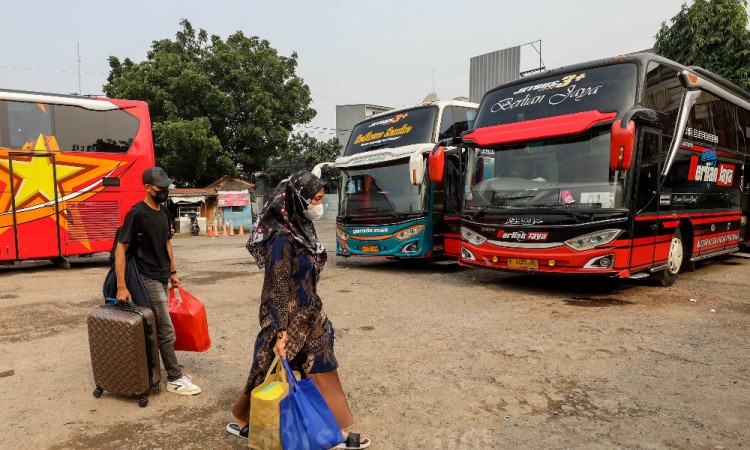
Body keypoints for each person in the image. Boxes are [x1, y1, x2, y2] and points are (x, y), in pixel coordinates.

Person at [227, 171, 370, 449]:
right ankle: (242, 417)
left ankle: (334, 429)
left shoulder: (302, 228)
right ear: (299, 198)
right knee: (267, 368)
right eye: (315, 199)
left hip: (310, 314)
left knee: (322, 363)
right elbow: (277, 285)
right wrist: (280, 330)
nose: (320, 205)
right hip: (285, 318)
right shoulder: (281, 238)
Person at [114, 167, 201, 396]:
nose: (165, 191)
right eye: (160, 187)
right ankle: (174, 377)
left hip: (163, 276)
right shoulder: (137, 213)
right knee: (165, 328)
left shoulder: (163, 212)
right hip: (146, 278)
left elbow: (167, 244)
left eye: (166, 187)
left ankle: (166, 372)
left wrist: (173, 272)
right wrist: (121, 286)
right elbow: (120, 249)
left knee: (160, 327)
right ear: (148, 187)